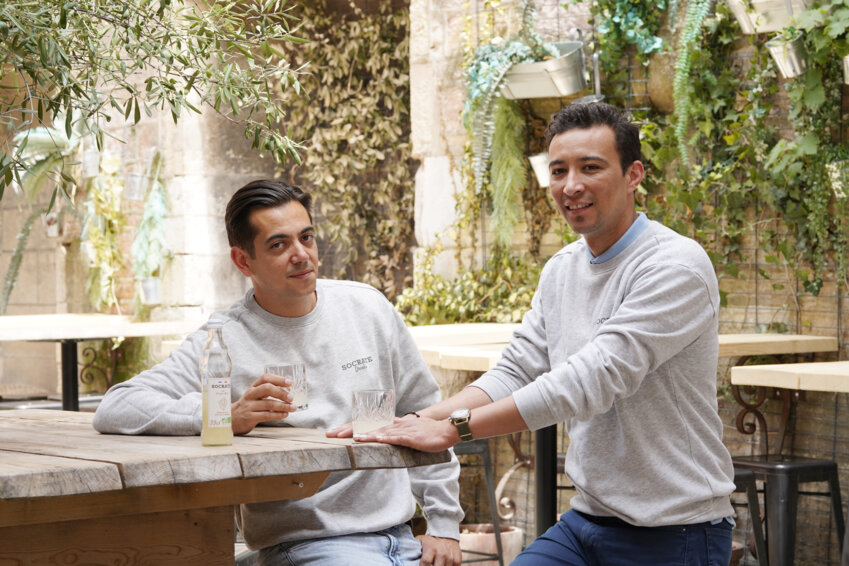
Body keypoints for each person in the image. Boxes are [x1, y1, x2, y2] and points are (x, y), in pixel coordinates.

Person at [341, 103, 736, 565]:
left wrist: (454, 430)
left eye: (591, 168)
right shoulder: (562, 269)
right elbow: (517, 370)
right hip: (586, 522)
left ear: (633, 175)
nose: (572, 186)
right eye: (559, 170)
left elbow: (589, 380)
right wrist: (415, 419)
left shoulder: (675, 266)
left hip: (675, 530)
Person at [93, 180, 463, 566]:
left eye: (307, 238)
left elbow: (427, 416)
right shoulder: (225, 339)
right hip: (304, 546)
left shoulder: (367, 309)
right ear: (242, 261)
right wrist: (225, 415)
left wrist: (443, 525)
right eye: (279, 245)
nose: (301, 255)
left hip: (403, 539)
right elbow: (118, 406)